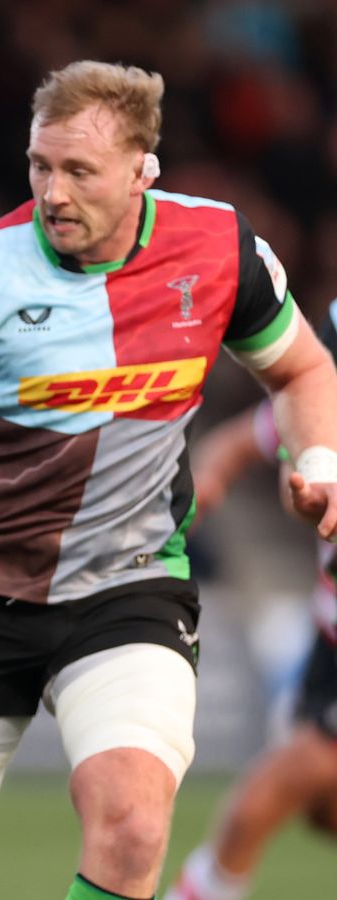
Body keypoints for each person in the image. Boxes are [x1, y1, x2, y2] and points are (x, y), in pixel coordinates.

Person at [0, 60, 337, 900]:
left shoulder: (219, 249)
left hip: (130, 586)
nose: (53, 193)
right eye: (40, 166)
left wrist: (318, 464)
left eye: (80, 171)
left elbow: (304, 369)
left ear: (141, 171)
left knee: (134, 825)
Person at [164, 297, 337, 900]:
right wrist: (200, 490)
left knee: (263, 801)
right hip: (328, 645)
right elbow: (241, 445)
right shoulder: (318, 408)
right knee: (315, 807)